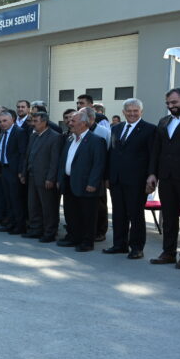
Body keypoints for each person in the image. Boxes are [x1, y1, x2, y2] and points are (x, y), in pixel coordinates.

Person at [146, 88, 180, 269]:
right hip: (166, 177)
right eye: (168, 103)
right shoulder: (164, 121)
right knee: (169, 217)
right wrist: (152, 173)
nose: (171, 106)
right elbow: (156, 150)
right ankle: (168, 252)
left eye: (174, 102)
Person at [104, 98, 156, 260]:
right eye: (129, 111)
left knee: (136, 215)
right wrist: (108, 176)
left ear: (141, 112)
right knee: (118, 214)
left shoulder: (150, 129)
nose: (132, 114)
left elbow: (153, 156)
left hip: (137, 181)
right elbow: (111, 153)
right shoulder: (116, 128)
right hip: (116, 179)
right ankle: (119, 245)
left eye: (135, 111)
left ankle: (137, 248)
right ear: (123, 112)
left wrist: (152, 176)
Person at [58, 107, 108, 252]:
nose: (69, 123)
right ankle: (73, 237)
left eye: (73, 121)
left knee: (88, 215)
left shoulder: (96, 141)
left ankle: (87, 242)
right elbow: (64, 161)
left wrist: (93, 183)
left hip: (86, 185)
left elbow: (99, 164)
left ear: (84, 123)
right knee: (71, 213)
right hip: (69, 182)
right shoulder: (70, 139)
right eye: (69, 120)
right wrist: (60, 179)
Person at [22, 112, 61, 243]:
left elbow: (55, 161)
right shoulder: (33, 136)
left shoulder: (55, 137)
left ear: (44, 122)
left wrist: (51, 178)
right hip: (32, 176)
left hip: (45, 179)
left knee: (48, 207)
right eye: (32, 121)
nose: (33, 124)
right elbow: (27, 156)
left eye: (35, 121)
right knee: (33, 205)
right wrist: (24, 172)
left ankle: (50, 233)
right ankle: (35, 230)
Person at [0, 110, 28, 235]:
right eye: (0, 121)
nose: (2, 123)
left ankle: (20, 226)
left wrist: (21, 171)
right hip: (4, 169)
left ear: (12, 120)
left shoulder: (19, 132)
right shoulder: (2, 133)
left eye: (5, 121)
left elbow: (23, 154)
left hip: (15, 171)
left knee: (16, 199)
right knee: (8, 199)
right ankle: (11, 223)